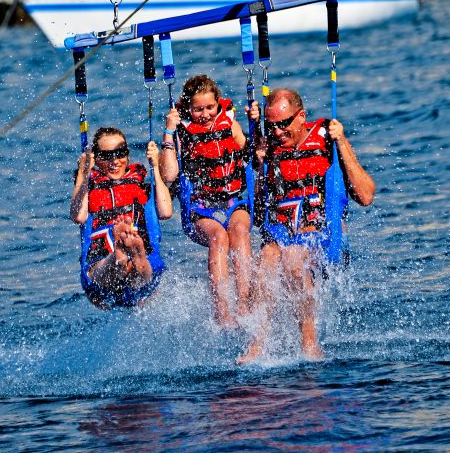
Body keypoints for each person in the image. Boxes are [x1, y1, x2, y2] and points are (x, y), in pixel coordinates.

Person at [240, 88, 375, 362]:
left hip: (326, 239)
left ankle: (308, 340)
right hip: (284, 235)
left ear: (301, 117)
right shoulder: (270, 150)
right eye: (271, 125)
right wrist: (259, 164)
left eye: (283, 124)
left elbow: (366, 195)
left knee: (292, 257)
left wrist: (342, 142)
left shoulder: (327, 141)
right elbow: (258, 216)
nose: (277, 132)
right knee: (266, 256)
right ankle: (258, 343)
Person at [160, 75, 255, 327]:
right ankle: (222, 310)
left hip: (235, 201)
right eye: (198, 109)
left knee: (240, 231)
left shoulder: (229, 122)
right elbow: (169, 175)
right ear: (188, 108)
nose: (204, 114)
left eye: (209, 107)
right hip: (201, 209)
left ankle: (245, 302)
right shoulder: (181, 131)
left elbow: (252, 155)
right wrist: (169, 132)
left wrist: (255, 124)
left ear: (217, 104)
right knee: (219, 237)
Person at [70, 127, 172, 309]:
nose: (115, 161)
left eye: (120, 153)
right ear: (96, 158)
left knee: (135, 271)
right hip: (100, 263)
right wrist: (83, 173)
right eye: (106, 156)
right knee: (109, 271)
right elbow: (79, 216)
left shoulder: (142, 185)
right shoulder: (89, 187)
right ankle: (121, 254)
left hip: (138, 263)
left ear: (127, 154)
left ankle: (131, 254)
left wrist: (156, 166)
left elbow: (165, 212)